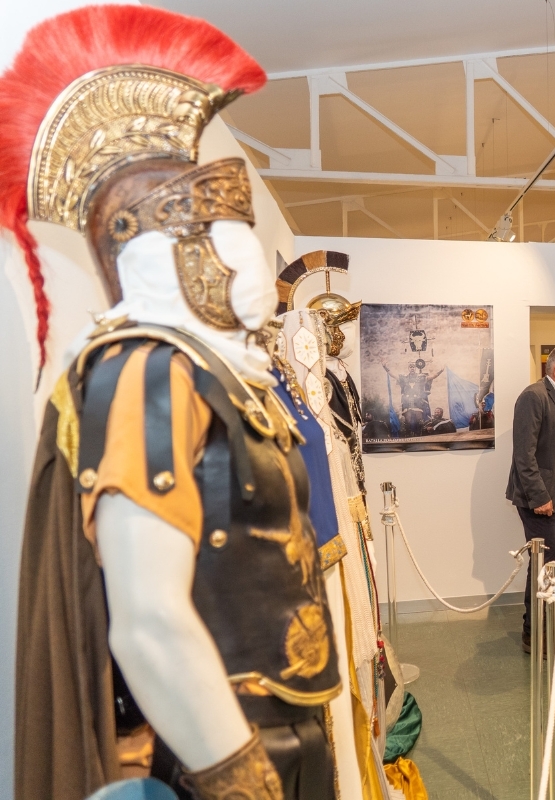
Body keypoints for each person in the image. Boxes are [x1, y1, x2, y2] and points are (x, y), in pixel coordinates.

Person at [4, 7, 339, 798]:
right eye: (216, 230)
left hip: (286, 719)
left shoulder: (219, 374)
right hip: (218, 744)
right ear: (162, 246)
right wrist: (241, 780)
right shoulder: (146, 369)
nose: (240, 254)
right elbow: (150, 621)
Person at [506, 345, 555, 659]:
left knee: (549, 563)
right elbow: (524, 455)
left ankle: (545, 620)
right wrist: (540, 497)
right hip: (539, 498)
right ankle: (533, 633)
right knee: (543, 567)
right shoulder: (533, 397)